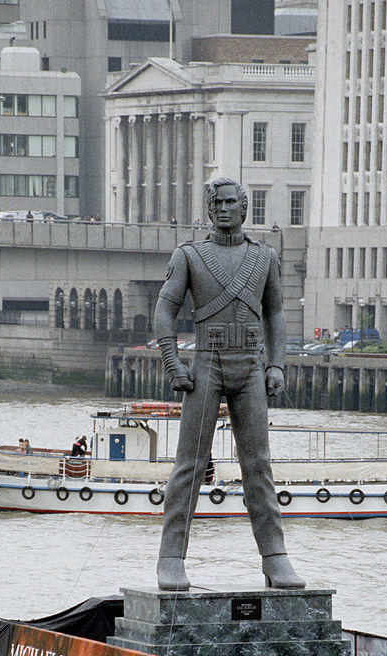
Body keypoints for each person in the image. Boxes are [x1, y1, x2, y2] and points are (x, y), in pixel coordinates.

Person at [153, 176, 305, 592]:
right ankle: (171, 560)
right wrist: (173, 362)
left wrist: (277, 364)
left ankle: (276, 559)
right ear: (209, 209)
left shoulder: (265, 258)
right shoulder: (189, 256)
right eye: (215, 203)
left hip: (251, 367)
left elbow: (275, 313)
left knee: (258, 466)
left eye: (230, 202)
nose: (222, 209)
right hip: (206, 366)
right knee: (190, 466)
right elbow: (164, 310)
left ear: (244, 208)